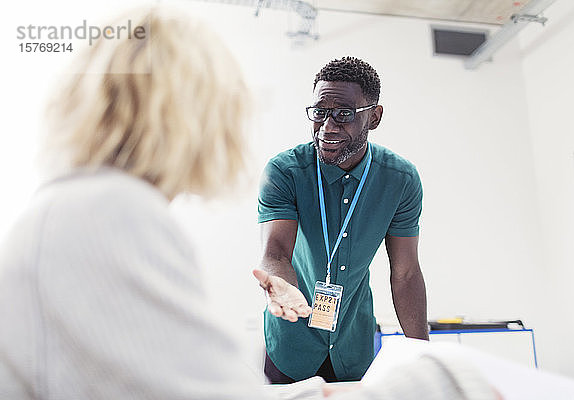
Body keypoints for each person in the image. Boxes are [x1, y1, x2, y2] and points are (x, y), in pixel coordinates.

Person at [0, 6, 497, 400]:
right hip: (294, 348)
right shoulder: (111, 215)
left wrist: (409, 360)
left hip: (352, 340)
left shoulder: (82, 207)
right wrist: (438, 381)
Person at [254, 56, 428, 383]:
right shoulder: (284, 172)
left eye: (343, 114)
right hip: (291, 345)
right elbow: (275, 252)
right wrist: (281, 289)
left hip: (353, 345)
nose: (328, 127)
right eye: (320, 112)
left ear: (374, 117)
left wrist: (423, 354)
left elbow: (405, 274)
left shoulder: (400, 179)